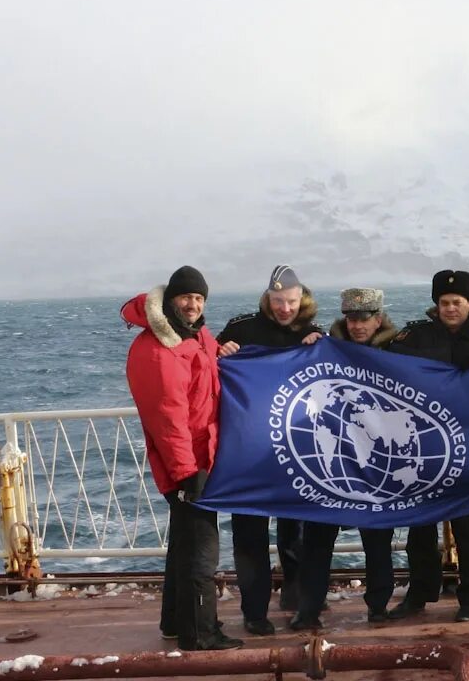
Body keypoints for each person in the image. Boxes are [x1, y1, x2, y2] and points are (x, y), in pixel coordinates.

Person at [121, 266, 243, 651]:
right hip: (188, 464)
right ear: (171, 299)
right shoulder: (160, 349)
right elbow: (167, 416)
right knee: (202, 552)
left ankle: (175, 622)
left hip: (199, 456)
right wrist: (187, 473)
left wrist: (222, 352)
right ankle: (201, 634)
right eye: (187, 297)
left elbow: (204, 382)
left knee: (184, 546)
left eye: (199, 298)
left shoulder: (195, 336)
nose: (193, 304)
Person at [385, 269, 469, 622]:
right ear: (436, 304)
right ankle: (419, 594)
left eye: (457, 303)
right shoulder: (414, 337)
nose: (450, 308)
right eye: (444, 302)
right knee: (419, 527)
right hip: (421, 448)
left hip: (468, 449)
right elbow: (379, 362)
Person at [216, 264, 323, 636]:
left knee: (295, 531)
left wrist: (319, 345)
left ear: (301, 298)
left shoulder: (311, 330)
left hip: (296, 449)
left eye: (291, 301)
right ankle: (254, 611)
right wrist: (219, 350)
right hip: (250, 451)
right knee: (250, 533)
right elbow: (209, 369)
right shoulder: (240, 329)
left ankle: (295, 597)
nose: (284, 308)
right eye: (277, 301)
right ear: (267, 298)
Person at [290, 287, 399, 630]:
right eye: (351, 318)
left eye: (364, 318)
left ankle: (378, 605)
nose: (357, 325)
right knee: (318, 539)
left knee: (377, 540)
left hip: (377, 460)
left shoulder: (396, 351)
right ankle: (309, 607)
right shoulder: (327, 346)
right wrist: (306, 346)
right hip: (334, 459)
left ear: (378, 319)